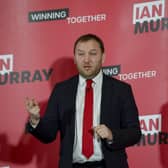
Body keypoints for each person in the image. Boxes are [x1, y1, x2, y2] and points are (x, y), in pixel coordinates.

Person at [25, 33, 141, 168]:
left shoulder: (121, 90)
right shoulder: (61, 91)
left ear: (103, 57)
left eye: (93, 54)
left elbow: (135, 133)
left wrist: (111, 135)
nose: (86, 60)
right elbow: (48, 135)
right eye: (81, 54)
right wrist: (35, 120)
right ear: (75, 58)